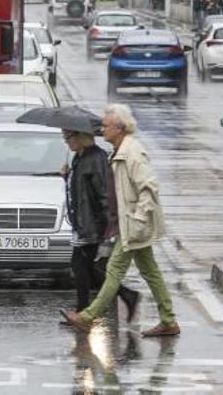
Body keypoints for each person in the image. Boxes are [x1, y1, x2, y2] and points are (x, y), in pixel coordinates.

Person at [61, 104, 180, 337]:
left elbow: (150, 187)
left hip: (133, 226)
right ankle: (168, 320)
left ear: (120, 128)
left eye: (105, 126)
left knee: (114, 270)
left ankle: (87, 317)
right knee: (151, 272)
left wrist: (137, 217)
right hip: (128, 225)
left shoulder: (132, 153)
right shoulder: (118, 152)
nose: (101, 130)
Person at [62, 129, 140, 317]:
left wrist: (109, 226)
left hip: (93, 224)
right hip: (83, 221)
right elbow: (79, 189)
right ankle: (126, 294)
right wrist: (66, 176)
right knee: (86, 266)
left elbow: (105, 194)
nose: (67, 142)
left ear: (80, 136)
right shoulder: (80, 157)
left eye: (68, 137)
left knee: (81, 265)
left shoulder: (95, 159)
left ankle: (83, 310)